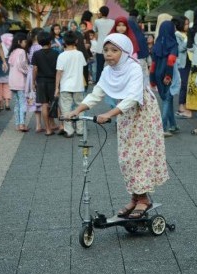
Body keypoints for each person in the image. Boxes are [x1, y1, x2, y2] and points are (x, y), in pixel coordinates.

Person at [67, 33, 169, 219]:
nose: (108, 54)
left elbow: (132, 97)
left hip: (142, 112)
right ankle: (135, 196)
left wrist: (108, 114)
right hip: (125, 114)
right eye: (106, 50)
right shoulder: (108, 70)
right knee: (126, 157)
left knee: (141, 155)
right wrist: (77, 110)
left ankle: (143, 199)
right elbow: (96, 93)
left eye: (114, 50)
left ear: (125, 51)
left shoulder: (134, 67)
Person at [55, 31, 87, 138]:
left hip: (65, 86)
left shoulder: (62, 56)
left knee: (65, 108)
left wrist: (56, 87)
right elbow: (83, 66)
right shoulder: (80, 54)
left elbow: (59, 72)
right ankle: (80, 129)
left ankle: (69, 131)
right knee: (80, 107)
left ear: (64, 41)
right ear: (76, 41)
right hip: (78, 85)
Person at [150, 21, 179, 137]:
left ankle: (173, 125)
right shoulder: (173, 44)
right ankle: (162, 127)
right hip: (167, 74)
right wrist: (168, 76)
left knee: (168, 99)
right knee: (167, 99)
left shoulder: (157, 44)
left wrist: (152, 79)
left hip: (157, 74)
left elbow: (153, 64)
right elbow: (171, 61)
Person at [32, 31, 59, 136]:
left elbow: (35, 69)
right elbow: (58, 69)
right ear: (50, 41)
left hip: (41, 81)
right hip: (53, 81)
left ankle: (48, 129)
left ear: (39, 42)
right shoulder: (56, 53)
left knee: (44, 105)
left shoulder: (36, 54)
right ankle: (59, 125)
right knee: (55, 103)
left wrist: (33, 82)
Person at [8, 32, 29, 132]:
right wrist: (28, 71)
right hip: (20, 81)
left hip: (12, 81)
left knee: (17, 104)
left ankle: (17, 124)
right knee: (23, 103)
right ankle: (22, 124)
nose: (26, 43)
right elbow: (22, 65)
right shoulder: (21, 51)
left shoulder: (12, 51)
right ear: (19, 42)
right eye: (24, 41)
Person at [173, 15, 192, 119]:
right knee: (184, 84)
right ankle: (181, 106)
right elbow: (180, 49)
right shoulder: (177, 34)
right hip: (182, 62)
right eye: (185, 24)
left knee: (188, 84)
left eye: (188, 23)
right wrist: (187, 39)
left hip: (190, 61)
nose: (187, 26)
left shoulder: (187, 33)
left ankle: (186, 105)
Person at [26, 28, 44, 133]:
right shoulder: (40, 47)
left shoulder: (29, 47)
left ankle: (38, 125)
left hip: (30, 75)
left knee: (34, 101)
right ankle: (47, 124)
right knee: (42, 100)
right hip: (37, 74)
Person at [93, 6, 115, 83]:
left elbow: (95, 32)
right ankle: (110, 82)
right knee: (111, 66)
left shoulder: (97, 21)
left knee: (99, 67)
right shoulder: (113, 22)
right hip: (110, 47)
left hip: (100, 47)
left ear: (101, 13)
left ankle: (98, 82)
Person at [0, 33, 11, 112]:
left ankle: (0, 104)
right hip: (6, 63)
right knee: (6, 86)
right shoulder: (7, 45)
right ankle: (7, 104)